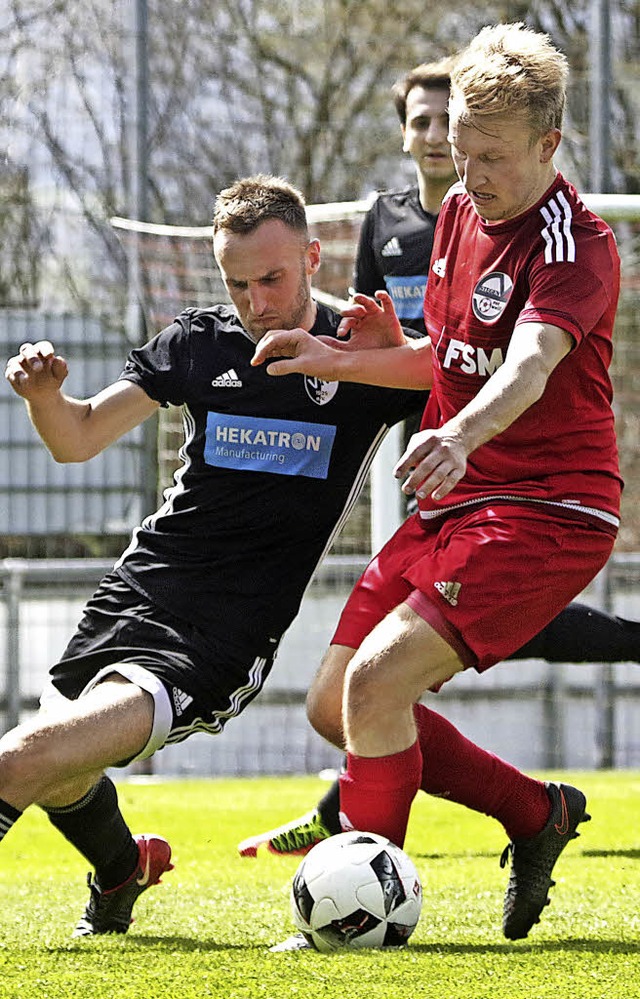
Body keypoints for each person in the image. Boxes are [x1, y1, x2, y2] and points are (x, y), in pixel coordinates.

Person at [252, 23, 624, 945]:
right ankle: (536, 813)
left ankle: (360, 919)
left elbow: (528, 366)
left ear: (550, 143)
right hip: (461, 492)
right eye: (460, 151)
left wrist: (458, 433)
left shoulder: (578, 245)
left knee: (378, 686)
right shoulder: (460, 210)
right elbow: (444, 362)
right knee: (335, 703)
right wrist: (339, 356)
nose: (469, 174)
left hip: (548, 508)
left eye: (491, 157)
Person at [1, 174, 432, 937]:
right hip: (135, 590)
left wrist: (398, 355)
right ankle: (122, 868)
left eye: (272, 278)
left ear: (313, 256)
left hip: (219, 639)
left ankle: (118, 866)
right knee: (58, 765)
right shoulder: (201, 344)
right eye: (238, 283)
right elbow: (79, 438)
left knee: (21, 761)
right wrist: (44, 399)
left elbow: (468, 379)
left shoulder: (360, 357)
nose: (257, 301)